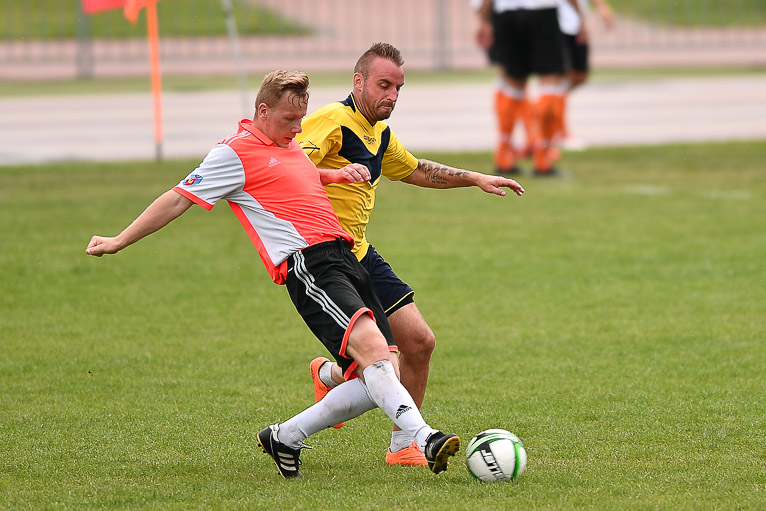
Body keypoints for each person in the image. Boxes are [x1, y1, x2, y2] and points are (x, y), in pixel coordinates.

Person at [85, 70, 461, 479]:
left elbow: (293, 172)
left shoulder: (287, 143)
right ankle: (426, 439)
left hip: (346, 257)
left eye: (300, 120)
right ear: (262, 111)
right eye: (288, 120)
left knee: (384, 374)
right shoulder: (233, 153)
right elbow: (177, 199)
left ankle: (286, 436)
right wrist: (119, 240)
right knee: (375, 354)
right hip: (309, 265)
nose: (297, 130)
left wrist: (332, 175)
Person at [296, 42, 525, 467]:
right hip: (326, 258)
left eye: (398, 88)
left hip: (361, 252)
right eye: (384, 85)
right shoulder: (333, 121)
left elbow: (415, 169)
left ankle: (402, 443)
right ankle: (324, 388)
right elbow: (291, 165)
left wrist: (475, 177)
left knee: (420, 342)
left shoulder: (379, 132)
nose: (392, 96)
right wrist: (335, 174)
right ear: (358, 81)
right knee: (382, 366)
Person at [475, 0, 583, 176]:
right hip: (542, 12)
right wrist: (580, 16)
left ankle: (503, 157)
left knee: (512, 85)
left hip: (507, 15)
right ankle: (542, 158)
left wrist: (484, 21)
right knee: (550, 85)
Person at [556, 0, 614, 149]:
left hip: (573, 24)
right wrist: (581, 17)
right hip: (558, 22)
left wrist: (602, 7)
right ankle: (560, 131)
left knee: (580, 76)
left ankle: (546, 108)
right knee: (559, 79)